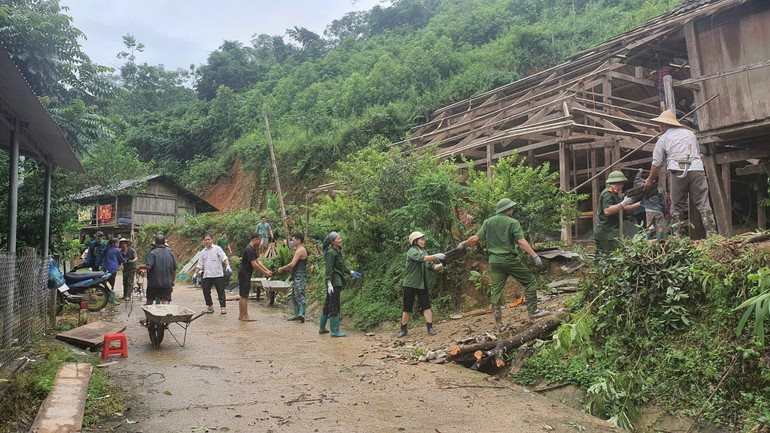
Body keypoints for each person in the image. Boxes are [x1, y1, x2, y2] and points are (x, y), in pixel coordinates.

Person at [458, 198, 546, 331]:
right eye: (511, 208)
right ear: (508, 209)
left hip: (494, 261)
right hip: (509, 260)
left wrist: (463, 243)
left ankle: (499, 324)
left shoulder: (488, 222)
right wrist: (535, 256)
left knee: (496, 291)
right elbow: (521, 242)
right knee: (530, 282)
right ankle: (533, 312)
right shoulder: (513, 222)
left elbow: (475, 238)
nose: (512, 210)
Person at [644, 109, 717, 234]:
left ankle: (676, 239)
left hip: (677, 170)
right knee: (703, 203)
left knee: (677, 206)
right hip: (696, 169)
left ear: (664, 125)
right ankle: (712, 235)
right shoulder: (690, 134)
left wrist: (650, 180)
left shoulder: (664, 138)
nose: (660, 128)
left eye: (660, 125)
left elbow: (656, 163)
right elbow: (697, 151)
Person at [398, 231, 445, 338]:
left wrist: (443, 263)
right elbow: (423, 259)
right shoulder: (412, 251)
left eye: (423, 239)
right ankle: (403, 329)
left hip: (422, 284)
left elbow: (432, 267)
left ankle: (430, 328)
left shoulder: (424, 252)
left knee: (426, 306)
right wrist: (437, 255)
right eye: (421, 239)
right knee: (407, 308)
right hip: (410, 284)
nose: (423, 241)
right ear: (415, 241)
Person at [321, 232, 361, 337]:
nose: (340, 239)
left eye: (340, 237)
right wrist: (329, 282)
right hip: (334, 282)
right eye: (338, 238)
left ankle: (322, 328)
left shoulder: (338, 251)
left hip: (337, 280)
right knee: (334, 304)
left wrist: (351, 272)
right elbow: (328, 269)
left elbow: (342, 266)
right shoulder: (331, 253)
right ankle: (334, 331)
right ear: (333, 241)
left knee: (328, 303)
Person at [595, 171, 642, 256]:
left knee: (601, 258)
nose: (621, 187)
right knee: (613, 256)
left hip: (605, 231)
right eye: (621, 184)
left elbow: (624, 208)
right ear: (615, 183)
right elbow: (607, 211)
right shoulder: (607, 194)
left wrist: (640, 204)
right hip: (607, 232)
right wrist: (623, 203)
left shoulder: (614, 194)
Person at [238, 233, 272, 321]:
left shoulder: (252, 249)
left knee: (242, 295)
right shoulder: (249, 249)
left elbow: (258, 261)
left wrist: (266, 270)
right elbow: (254, 265)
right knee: (244, 295)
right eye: (259, 241)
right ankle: (245, 316)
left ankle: (241, 315)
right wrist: (265, 273)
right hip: (244, 274)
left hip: (245, 273)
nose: (260, 243)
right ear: (255, 240)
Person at [194, 234, 232, 314]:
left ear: (212, 240)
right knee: (206, 291)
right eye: (206, 240)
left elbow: (224, 258)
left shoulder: (217, 249)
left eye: (209, 239)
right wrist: (195, 273)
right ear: (203, 241)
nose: (207, 241)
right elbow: (200, 264)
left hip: (218, 274)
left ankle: (223, 307)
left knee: (220, 291)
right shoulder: (202, 252)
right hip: (207, 275)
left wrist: (227, 265)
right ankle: (210, 307)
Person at [278, 233, 309, 323]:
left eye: (293, 240)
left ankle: (301, 313)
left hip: (300, 275)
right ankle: (296, 314)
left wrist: (282, 268)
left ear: (299, 240)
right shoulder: (298, 249)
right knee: (294, 295)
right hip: (296, 275)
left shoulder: (300, 250)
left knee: (300, 293)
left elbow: (293, 264)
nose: (292, 242)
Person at [634, 170, 669, 241]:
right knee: (660, 227)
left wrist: (639, 172)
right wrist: (665, 212)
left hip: (648, 211)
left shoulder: (644, 189)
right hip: (658, 211)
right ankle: (660, 240)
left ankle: (647, 240)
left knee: (648, 226)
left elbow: (636, 182)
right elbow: (663, 203)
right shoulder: (660, 190)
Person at [144, 235, 177, 305]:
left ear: (155, 243)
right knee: (165, 301)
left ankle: (150, 315)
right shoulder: (171, 253)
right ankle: (165, 315)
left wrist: (139, 267)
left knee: (149, 300)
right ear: (164, 242)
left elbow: (148, 267)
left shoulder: (152, 253)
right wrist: (172, 282)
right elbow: (174, 270)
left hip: (153, 283)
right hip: (167, 284)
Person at [102, 238, 125, 304]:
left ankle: (107, 295)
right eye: (117, 243)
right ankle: (111, 300)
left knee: (105, 282)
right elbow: (121, 259)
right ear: (113, 244)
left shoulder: (106, 249)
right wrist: (127, 260)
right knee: (112, 284)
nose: (118, 245)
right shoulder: (116, 250)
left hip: (105, 268)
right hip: (112, 269)